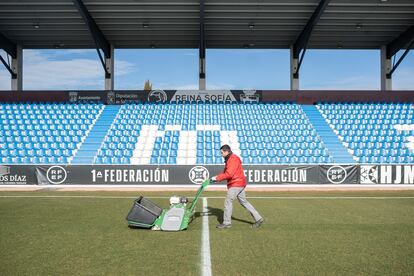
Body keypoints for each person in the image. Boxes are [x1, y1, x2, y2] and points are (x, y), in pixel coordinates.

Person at [210, 144, 264, 229]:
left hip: (236, 183)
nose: (221, 154)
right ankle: (258, 218)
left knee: (228, 201)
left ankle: (227, 223)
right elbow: (225, 173)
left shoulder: (233, 159)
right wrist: (216, 178)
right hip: (239, 183)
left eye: (222, 152)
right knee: (244, 202)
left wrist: (216, 178)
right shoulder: (230, 159)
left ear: (227, 151)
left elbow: (229, 174)